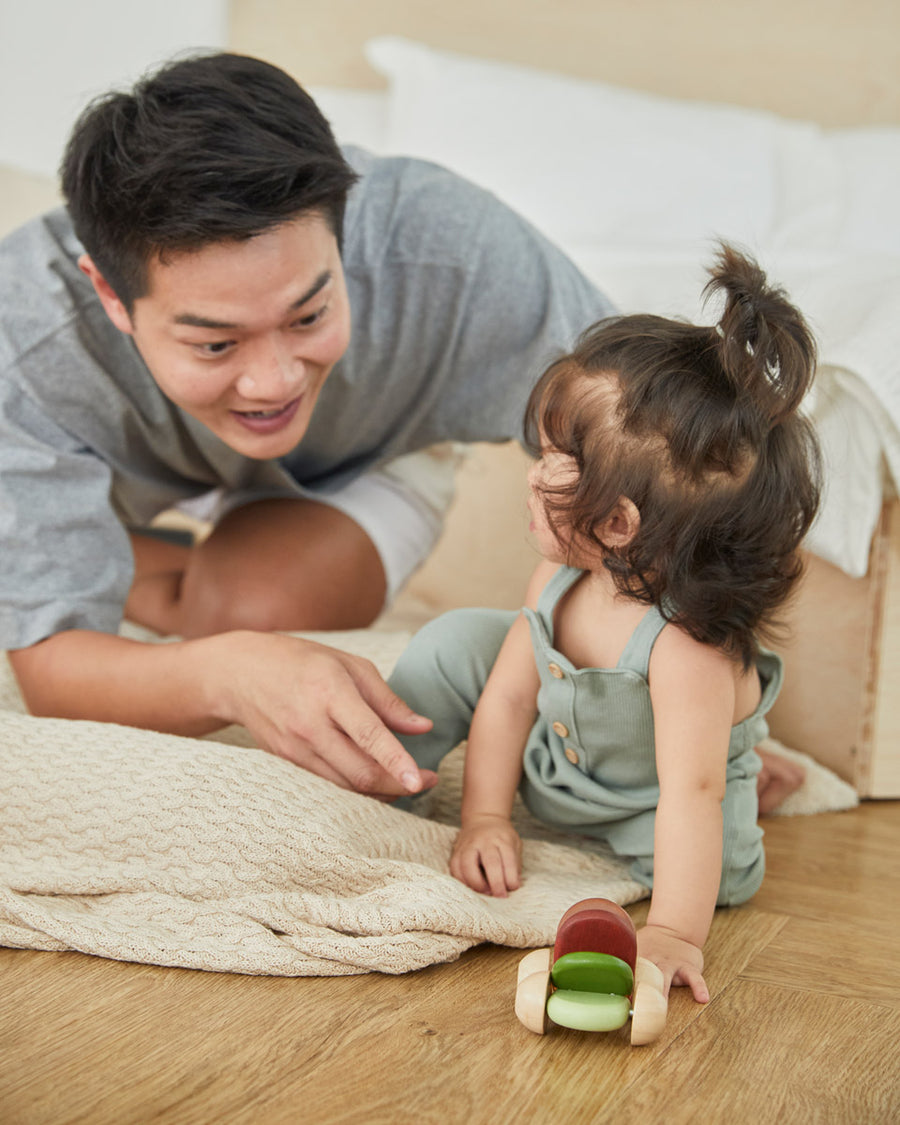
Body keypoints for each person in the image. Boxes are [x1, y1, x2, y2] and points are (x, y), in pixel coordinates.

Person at [0, 51, 614, 798]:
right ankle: (100, 540)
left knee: (251, 614)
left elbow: (649, 450)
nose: (274, 381)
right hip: (123, 474)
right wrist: (230, 676)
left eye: (309, 314)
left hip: (364, 453)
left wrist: (668, 699)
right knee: (229, 648)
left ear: (341, 231)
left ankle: (109, 548)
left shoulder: (456, 250)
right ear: (110, 295)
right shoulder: (22, 344)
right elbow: (53, 672)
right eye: (215, 342)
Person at [387, 245, 821, 999]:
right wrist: (486, 816)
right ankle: (383, 775)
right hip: (559, 770)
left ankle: (746, 765)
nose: (533, 468)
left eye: (554, 458)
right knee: (456, 641)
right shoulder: (558, 576)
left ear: (618, 523)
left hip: (646, 806)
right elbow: (510, 699)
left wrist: (674, 932)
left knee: (719, 854)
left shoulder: (686, 651)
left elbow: (689, 797)